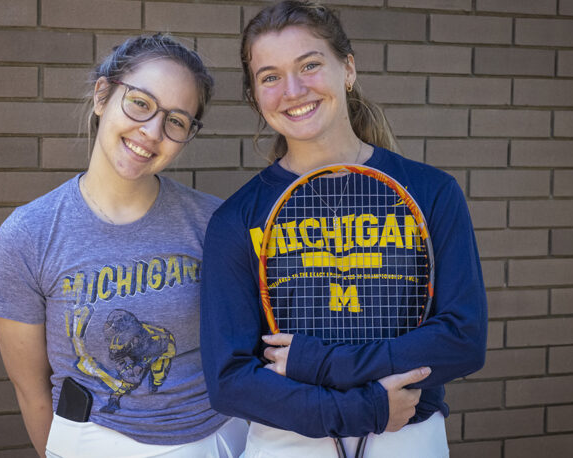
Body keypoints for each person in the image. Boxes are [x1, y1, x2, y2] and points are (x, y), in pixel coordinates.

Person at [199, 2, 487, 457]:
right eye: (270, 76)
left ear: (347, 69)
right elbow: (230, 382)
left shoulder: (432, 192)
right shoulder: (238, 218)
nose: (293, 90)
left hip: (408, 433)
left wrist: (322, 362)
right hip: (288, 441)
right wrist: (364, 407)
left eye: (310, 65)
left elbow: (463, 341)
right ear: (256, 95)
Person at [0, 34, 247, 458]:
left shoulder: (215, 223)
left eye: (176, 121)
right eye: (140, 103)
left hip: (218, 439)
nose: (152, 131)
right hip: (96, 441)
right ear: (102, 96)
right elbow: (30, 390)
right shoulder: (28, 235)